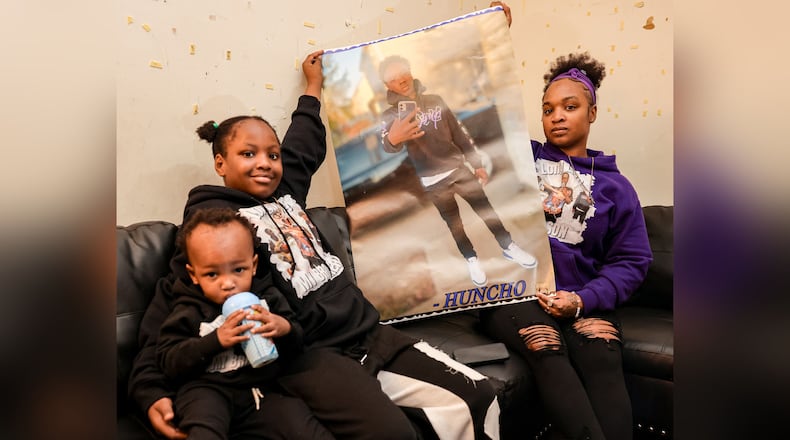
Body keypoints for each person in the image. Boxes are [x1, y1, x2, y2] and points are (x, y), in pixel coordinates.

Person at [129, 50, 502, 440]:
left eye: (271, 155)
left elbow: (302, 144)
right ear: (220, 163)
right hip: (312, 354)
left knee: (478, 397)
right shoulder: (210, 227)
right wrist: (149, 390)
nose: (265, 163)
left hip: (368, 330)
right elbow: (169, 308)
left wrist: (313, 86)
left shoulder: (286, 190)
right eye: (247, 154)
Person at [479, 51, 653, 440]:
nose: (556, 115)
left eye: (569, 107)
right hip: (516, 296)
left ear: (592, 113)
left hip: (580, 299)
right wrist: (488, 46)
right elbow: (486, 120)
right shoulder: (526, 160)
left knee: (602, 350)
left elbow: (631, 261)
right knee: (547, 347)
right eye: (548, 109)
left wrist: (581, 300)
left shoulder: (617, 188)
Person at [156, 207, 334, 439]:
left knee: (303, 426)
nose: (228, 283)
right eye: (212, 274)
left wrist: (283, 328)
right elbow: (169, 361)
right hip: (206, 390)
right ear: (193, 275)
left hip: (261, 390)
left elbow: (297, 341)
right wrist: (216, 340)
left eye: (238, 270)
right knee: (204, 427)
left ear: (254, 265)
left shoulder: (267, 297)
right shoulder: (187, 309)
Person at [379, 53, 536, 288]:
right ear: (387, 84)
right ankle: (471, 259)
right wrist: (393, 138)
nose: (402, 78)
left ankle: (508, 247)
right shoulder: (390, 116)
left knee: (486, 211)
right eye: (394, 76)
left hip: (459, 169)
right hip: (432, 181)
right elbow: (387, 146)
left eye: (404, 71)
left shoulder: (435, 100)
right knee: (455, 225)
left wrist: (478, 164)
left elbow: (459, 132)